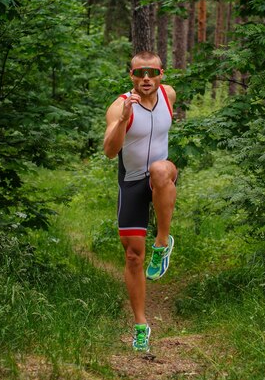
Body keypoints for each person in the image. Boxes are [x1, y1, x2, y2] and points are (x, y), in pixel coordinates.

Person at [103, 50, 178, 352]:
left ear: (161, 73)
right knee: (133, 257)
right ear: (131, 76)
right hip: (132, 182)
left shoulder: (169, 94)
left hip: (160, 177)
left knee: (161, 169)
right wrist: (123, 120)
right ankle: (140, 326)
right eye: (139, 73)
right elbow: (109, 152)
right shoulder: (120, 105)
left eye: (151, 72)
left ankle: (162, 243)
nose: (146, 78)